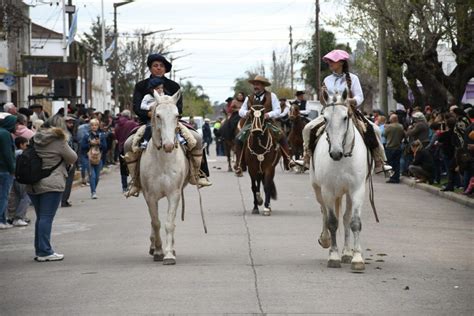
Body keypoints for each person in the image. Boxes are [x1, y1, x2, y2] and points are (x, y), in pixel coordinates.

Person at [125, 53, 211, 197]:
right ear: (150, 68)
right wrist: (149, 115)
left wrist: (171, 115)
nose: (158, 68)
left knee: (197, 138)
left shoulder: (173, 86)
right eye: (155, 66)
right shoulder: (141, 86)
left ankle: (198, 174)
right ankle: (135, 181)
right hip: (148, 122)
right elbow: (137, 107)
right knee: (128, 144)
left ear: (165, 69)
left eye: (161, 66)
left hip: (172, 122)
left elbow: (180, 108)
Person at [302, 49, 391, 174]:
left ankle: (379, 161)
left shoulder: (353, 78)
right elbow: (323, 102)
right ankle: (306, 157)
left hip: (349, 113)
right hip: (329, 114)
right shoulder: (327, 80)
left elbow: (360, 97)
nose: (330, 63)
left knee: (374, 129)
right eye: (329, 61)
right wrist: (322, 95)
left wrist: (351, 100)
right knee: (307, 128)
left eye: (332, 61)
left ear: (341, 62)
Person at [26, 116, 77, 261]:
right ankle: (45, 252)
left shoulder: (35, 138)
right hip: (52, 182)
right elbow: (72, 157)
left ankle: (40, 249)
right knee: (46, 218)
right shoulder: (59, 140)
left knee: (40, 217)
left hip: (33, 182)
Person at [234, 75, 294, 176]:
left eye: (257, 84)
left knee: (282, 135)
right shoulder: (249, 97)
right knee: (239, 138)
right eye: (254, 84)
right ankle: (240, 164)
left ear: (263, 86)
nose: (255, 86)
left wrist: (268, 114)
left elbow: (278, 110)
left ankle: (288, 159)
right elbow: (241, 111)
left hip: (268, 122)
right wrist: (247, 113)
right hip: (252, 123)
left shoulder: (272, 96)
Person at [7, 136, 30, 226]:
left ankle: (13, 216)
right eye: (26, 144)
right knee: (26, 197)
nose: (27, 146)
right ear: (21, 145)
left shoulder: (14, 152)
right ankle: (19, 217)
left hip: (14, 177)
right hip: (21, 178)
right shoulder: (21, 152)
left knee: (17, 197)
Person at [81, 118, 106, 199]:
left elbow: (105, 147)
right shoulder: (86, 135)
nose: (94, 127)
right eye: (92, 125)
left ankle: (94, 188)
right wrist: (90, 144)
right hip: (88, 158)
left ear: (98, 126)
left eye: (96, 125)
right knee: (92, 175)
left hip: (98, 158)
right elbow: (82, 147)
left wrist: (100, 144)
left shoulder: (101, 135)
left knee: (97, 176)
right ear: (90, 126)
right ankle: (93, 192)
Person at [115, 110, 139, 193]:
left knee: (123, 168)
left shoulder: (117, 125)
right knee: (134, 164)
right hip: (131, 147)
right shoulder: (132, 124)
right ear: (129, 116)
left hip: (121, 147)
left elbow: (116, 137)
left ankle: (124, 186)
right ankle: (136, 183)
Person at [0, 113, 17, 229]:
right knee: (3, 196)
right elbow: (7, 154)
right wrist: (13, 169)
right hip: (4, 170)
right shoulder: (5, 134)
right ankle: (1, 220)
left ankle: (2, 219)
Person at [139, 76, 165, 149]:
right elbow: (142, 106)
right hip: (152, 117)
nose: (160, 90)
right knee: (149, 126)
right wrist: (149, 107)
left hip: (162, 117)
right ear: (152, 89)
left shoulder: (163, 96)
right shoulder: (147, 97)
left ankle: (178, 138)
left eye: (161, 88)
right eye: (158, 88)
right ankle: (145, 141)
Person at [61, 116, 77, 207]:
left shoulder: (70, 133)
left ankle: (64, 199)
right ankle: (64, 200)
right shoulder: (66, 134)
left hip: (68, 160)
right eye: (69, 122)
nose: (71, 124)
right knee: (67, 182)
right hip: (68, 161)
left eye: (72, 123)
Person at [384, 114, 405, 183]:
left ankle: (392, 178)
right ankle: (396, 178)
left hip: (390, 147)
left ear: (392, 119)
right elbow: (403, 135)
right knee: (397, 163)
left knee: (390, 164)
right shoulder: (401, 126)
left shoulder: (389, 127)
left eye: (390, 118)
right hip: (398, 147)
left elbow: (384, 135)